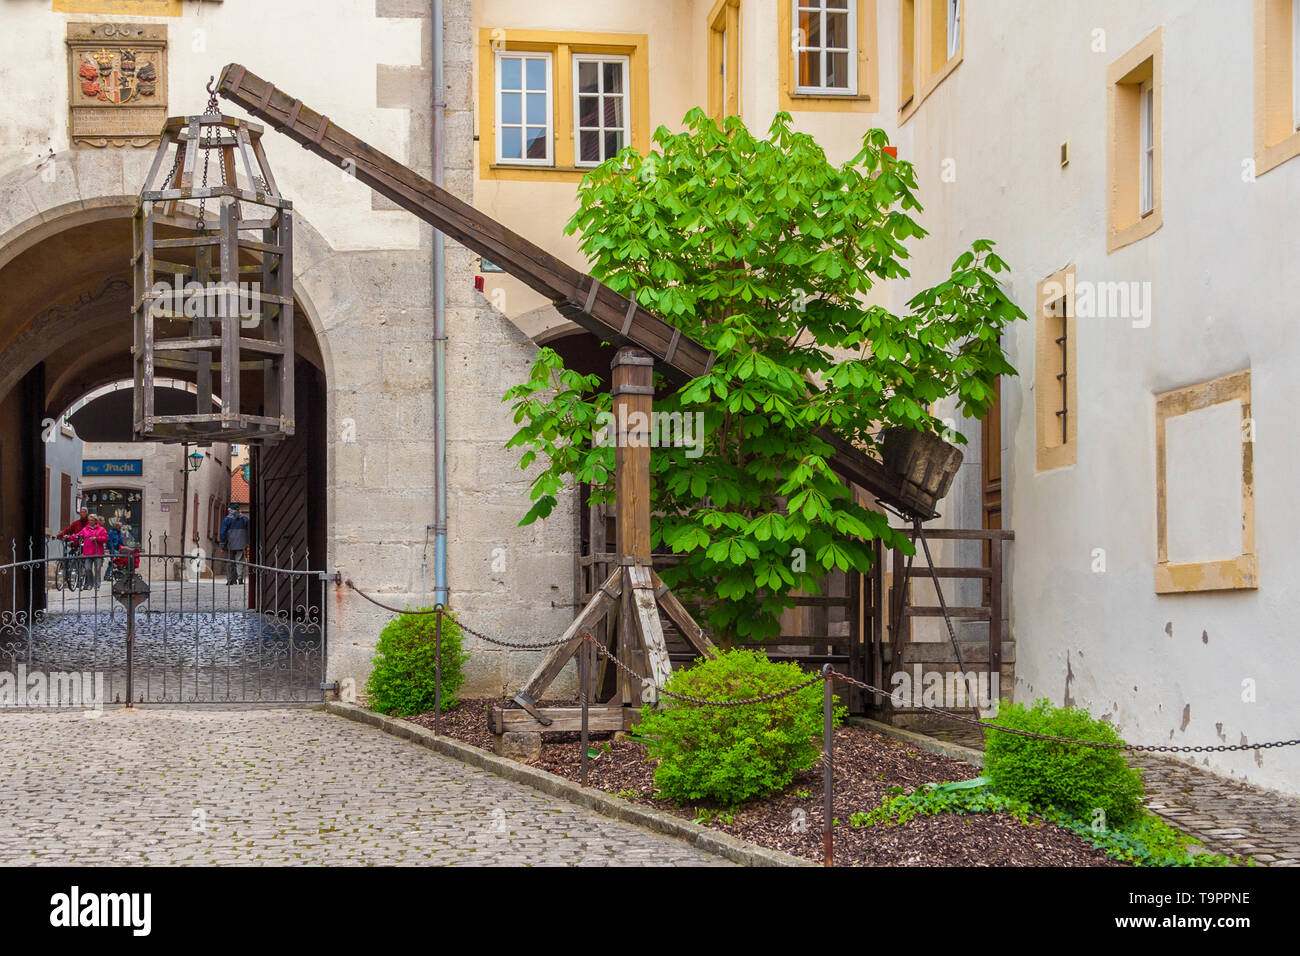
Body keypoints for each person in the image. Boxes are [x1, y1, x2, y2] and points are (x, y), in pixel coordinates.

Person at [74, 514, 109, 588]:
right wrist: (69, 537)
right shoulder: (85, 529)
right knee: (87, 568)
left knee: (97, 569)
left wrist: (97, 538)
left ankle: (97, 584)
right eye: (89, 520)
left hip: (97, 553)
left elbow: (105, 538)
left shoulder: (101, 529)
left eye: (92, 520)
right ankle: (91, 582)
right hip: (87, 553)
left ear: (95, 521)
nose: (90, 522)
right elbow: (78, 535)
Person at [219, 505, 249, 585]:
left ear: (231, 510)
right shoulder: (245, 519)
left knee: (230, 562)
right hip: (241, 544)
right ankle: (240, 578)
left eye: (230, 510)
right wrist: (247, 542)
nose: (229, 511)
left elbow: (223, 533)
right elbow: (249, 532)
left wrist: (222, 545)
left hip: (230, 544)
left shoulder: (227, 519)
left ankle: (230, 580)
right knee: (240, 562)